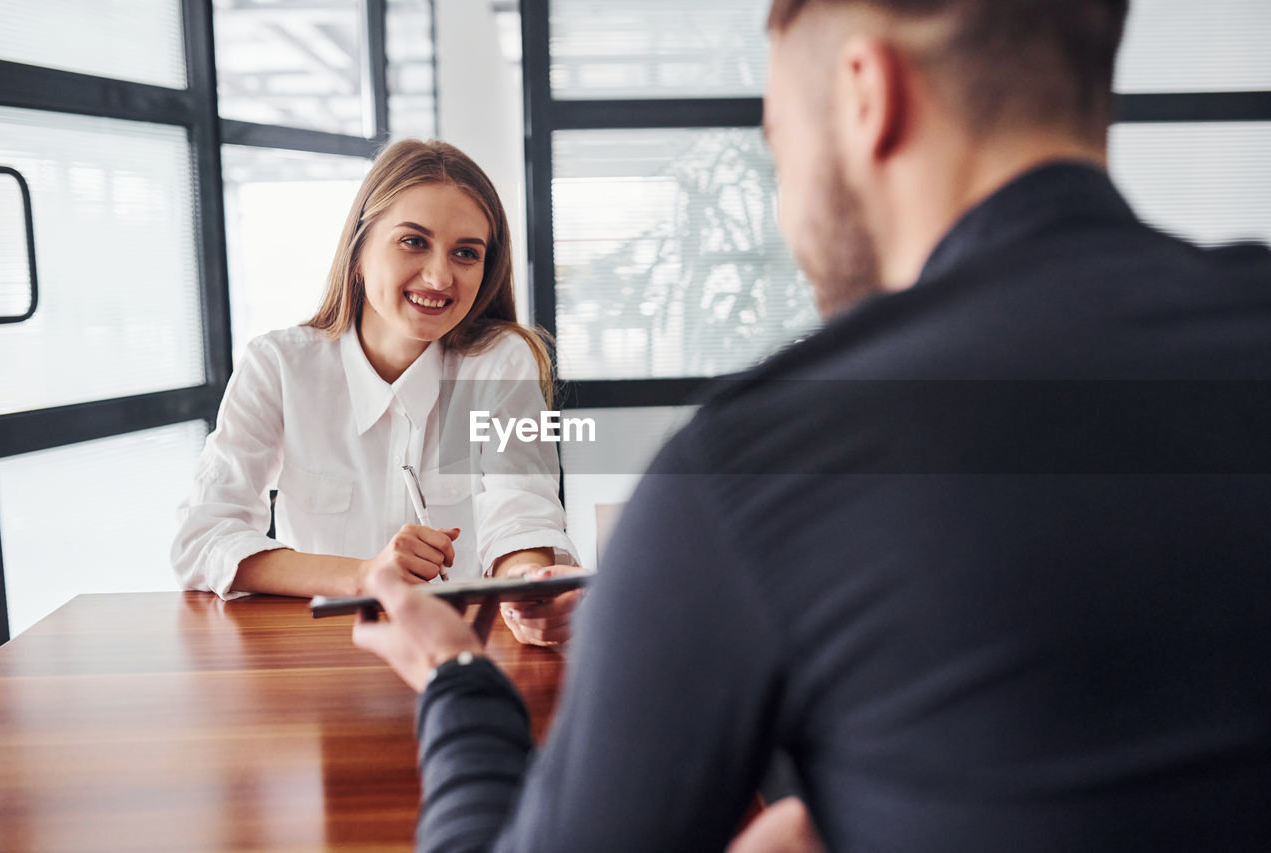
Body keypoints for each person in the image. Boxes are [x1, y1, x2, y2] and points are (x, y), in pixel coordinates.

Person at [354, 1, 1271, 850]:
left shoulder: (757, 467)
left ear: (869, 95)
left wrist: (455, 683)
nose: (786, 206)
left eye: (779, 145)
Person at [172, 139, 582, 647]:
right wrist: (364, 576)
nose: (439, 276)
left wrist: (530, 588)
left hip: (461, 655)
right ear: (360, 248)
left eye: (466, 253)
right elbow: (203, 537)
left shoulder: (498, 363)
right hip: (325, 659)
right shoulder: (279, 365)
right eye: (414, 241)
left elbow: (521, 513)